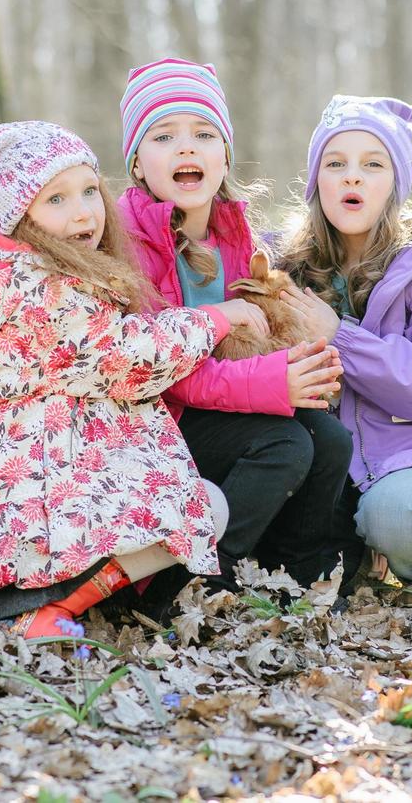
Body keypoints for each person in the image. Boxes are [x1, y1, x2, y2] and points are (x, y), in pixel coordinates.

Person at [0, 121, 269, 638]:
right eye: (55, 199)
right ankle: (53, 611)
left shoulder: (2, 280)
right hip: (40, 484)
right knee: (198, 508)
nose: (83, 212)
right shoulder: (39, 289)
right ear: (19, 218)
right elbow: (125, 358)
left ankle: (45, 608)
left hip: (21, 489)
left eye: (88, 192)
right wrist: (216, 319)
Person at [116, 58, 353, 599]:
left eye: (204, 133)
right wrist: (273, 384)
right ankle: (190, 584)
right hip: (156, 418)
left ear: (225, 155)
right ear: (136, 162)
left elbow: (257, 338)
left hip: (221, 402)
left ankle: (294, 575)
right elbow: (160, 372)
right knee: (283, 444)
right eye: (163, 136)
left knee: (330, 440)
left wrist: (298, 366)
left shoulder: (237, 235)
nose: (186, 147)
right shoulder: (130, 241)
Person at [278, 95, 412, 600]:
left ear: (394, 182)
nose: (353, 177)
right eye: (336, 164)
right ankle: (361, 549)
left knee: (396, 516)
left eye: (373, 164)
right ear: (316, 183)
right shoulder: (286, 265)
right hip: (331, 462)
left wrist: (341, 336)